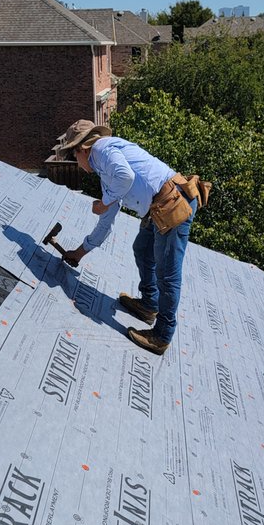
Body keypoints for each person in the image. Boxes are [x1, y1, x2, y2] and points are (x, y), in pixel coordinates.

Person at [56, 119, 198, 356]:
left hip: (173, 204)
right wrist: (79, 253)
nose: (78, 165)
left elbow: (126, 177)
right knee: (142, 249)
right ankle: (149, 304)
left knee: (168, 274)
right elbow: (106, 221)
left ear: (81, 149)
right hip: (160, 206)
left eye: (74, 158)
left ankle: (162, 335)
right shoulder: (104, 169)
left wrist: (103, 202)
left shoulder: (101, 150)